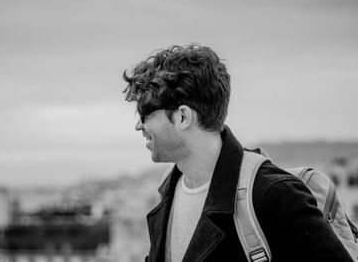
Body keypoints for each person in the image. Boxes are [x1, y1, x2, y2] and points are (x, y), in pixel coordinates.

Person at [122, 44, 353, 262]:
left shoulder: (274, 195)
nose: (138, 126)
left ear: (183, 117)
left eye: (145, 114)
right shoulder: (168, 188)